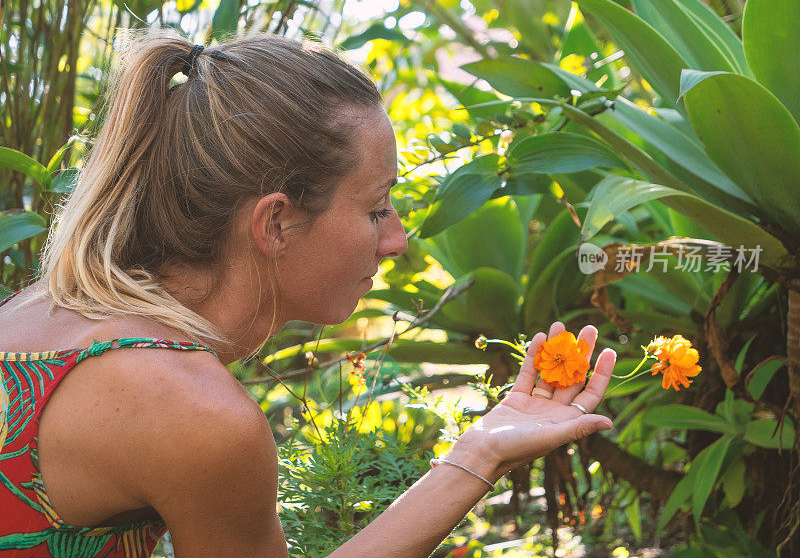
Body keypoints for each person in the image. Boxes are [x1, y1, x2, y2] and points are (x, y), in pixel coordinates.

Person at [0, 28, 617, 558]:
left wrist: (479, 453)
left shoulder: (39, 314)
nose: (398, 239)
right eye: (377, 209)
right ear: (275, 224)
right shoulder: (193, 412)